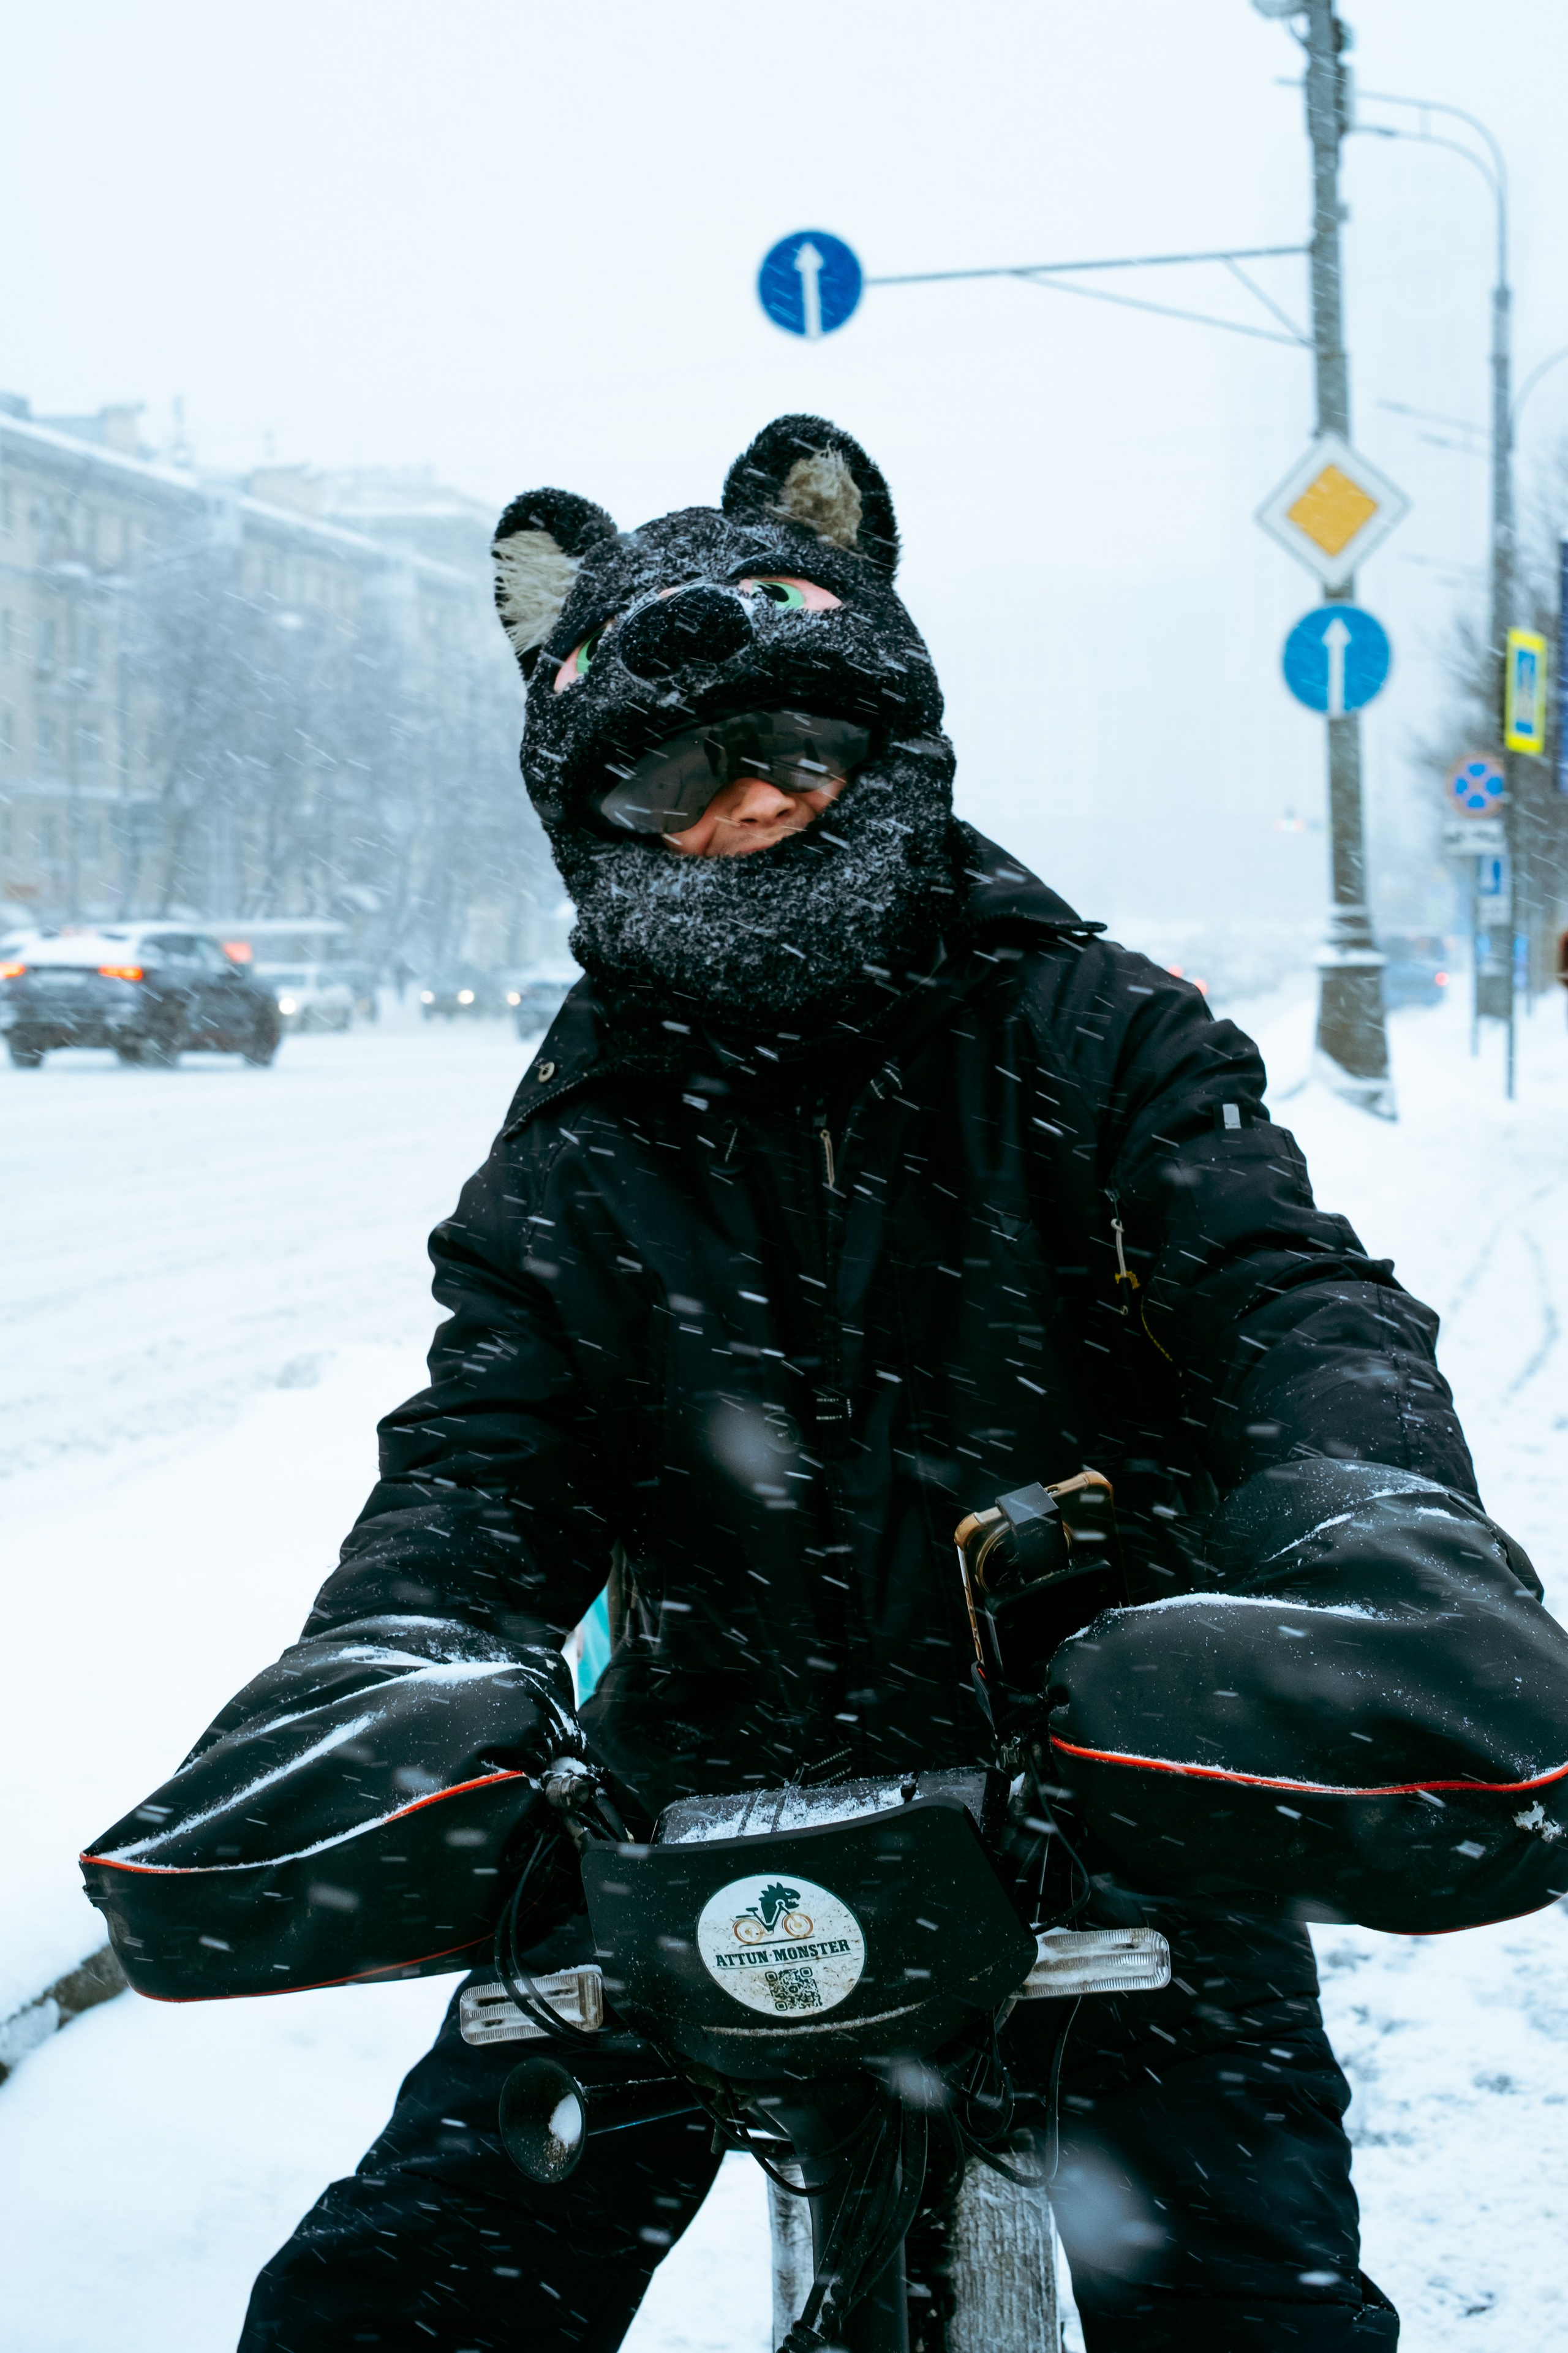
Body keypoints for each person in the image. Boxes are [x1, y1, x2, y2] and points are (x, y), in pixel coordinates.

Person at [84, 417, 1568, 2353]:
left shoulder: (1098, 1028)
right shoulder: (576, 1146)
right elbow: (475, 1464)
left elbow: (1290, 1303)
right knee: (394, 2300)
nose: (755, 806)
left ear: (892, 741)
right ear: (593, 817)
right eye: (681, 774)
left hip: (1118, 1787)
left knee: (1248, 2297)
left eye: (797, 746)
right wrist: (386, 1666)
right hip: (695, 1819)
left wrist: (1376, 1535)